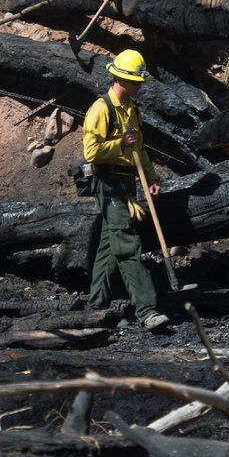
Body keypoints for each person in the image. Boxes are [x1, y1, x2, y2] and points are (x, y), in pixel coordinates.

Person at [83, 49, 170, 331]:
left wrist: (151, 175)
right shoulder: (101, 110)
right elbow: (91, 152)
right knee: (128, 243)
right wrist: (119, 144)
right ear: (121, 79)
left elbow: (140, 150)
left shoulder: (132, 110)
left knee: (110, 246)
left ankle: (94, 307)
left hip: (127, 180)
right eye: (136, 82)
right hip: (107, 182)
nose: (140, 87)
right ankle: (147, 310)